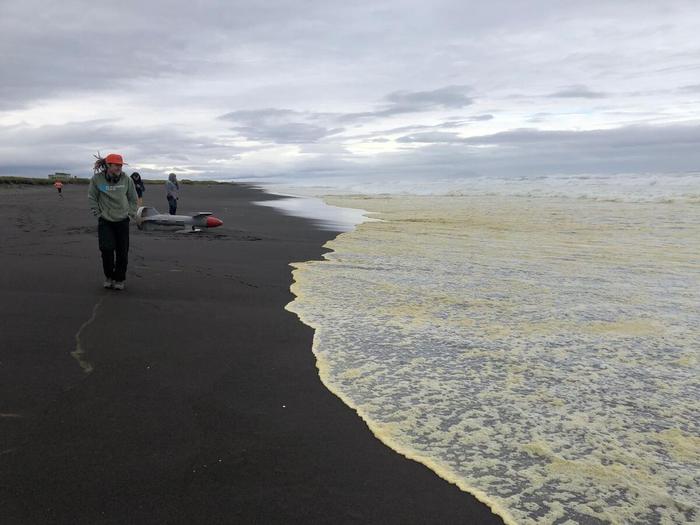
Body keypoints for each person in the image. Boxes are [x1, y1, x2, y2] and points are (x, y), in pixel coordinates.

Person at [88, 153, 137, 291]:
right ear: (108, 165)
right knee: (106, 249)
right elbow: (92, 197)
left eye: (120, 165)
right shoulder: (97, 179)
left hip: (122, 220)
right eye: (116, 165)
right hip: (105, 221)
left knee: (122, 252)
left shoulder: (126, 179)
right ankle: (109, 276)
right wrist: (98, 213)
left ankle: (119, 279)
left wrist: (131, 212)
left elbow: (133, 198)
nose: (119, 167)